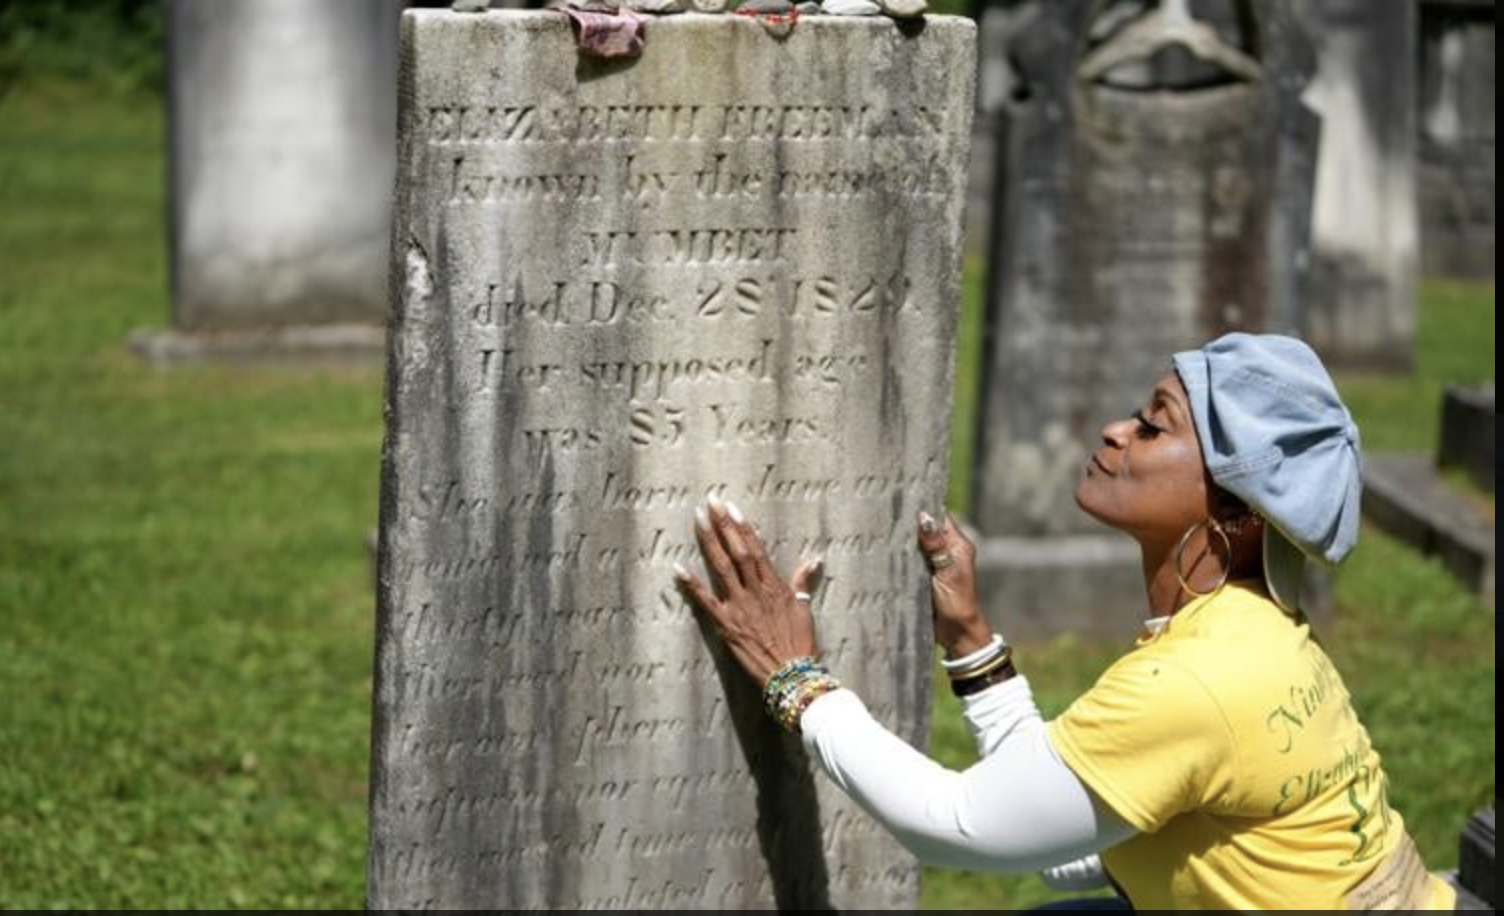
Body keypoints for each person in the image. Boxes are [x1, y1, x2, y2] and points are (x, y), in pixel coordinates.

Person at [673, 333, 1456, 910]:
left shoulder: (1199, 680)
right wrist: (974, 647)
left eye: (1155, 427)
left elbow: (959, 824)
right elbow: (1058, 823)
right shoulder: (1248, 628)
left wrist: (799, 680)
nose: (1118, 432)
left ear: (1237, 513)